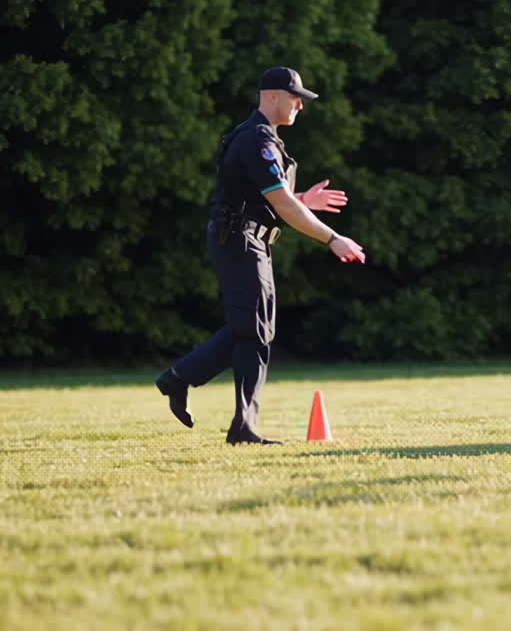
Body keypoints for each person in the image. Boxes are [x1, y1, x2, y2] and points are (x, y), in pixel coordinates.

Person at [155, 66, 365, 445]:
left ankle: (179, 379)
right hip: (240, 241)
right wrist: (333, 238)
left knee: (253, 329)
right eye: (295, 97)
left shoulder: (264, 138)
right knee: (254, 331)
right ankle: (242, 429)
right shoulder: (257, 140)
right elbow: (280, 204)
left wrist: (304, 201)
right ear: (272, 96)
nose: (300, 105)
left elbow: (265, 201)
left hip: (251, 240)